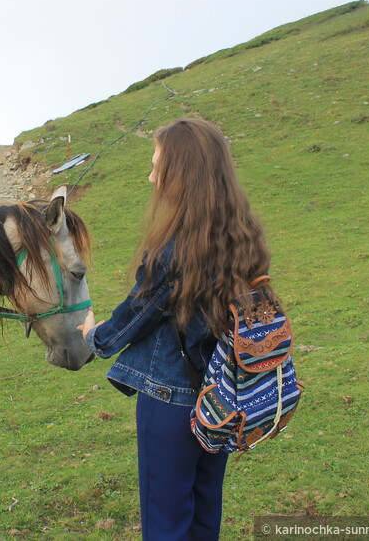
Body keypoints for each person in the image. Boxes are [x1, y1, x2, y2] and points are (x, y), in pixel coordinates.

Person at [77, 118, 277, 540]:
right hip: (223, 398)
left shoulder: (178, 247)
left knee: (166, 524)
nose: (151, 177)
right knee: (204, 516)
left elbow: (137, 312)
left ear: (181, 173)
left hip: (172, 403)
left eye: (157, 166)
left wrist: (95, 337)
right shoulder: (242, 235)